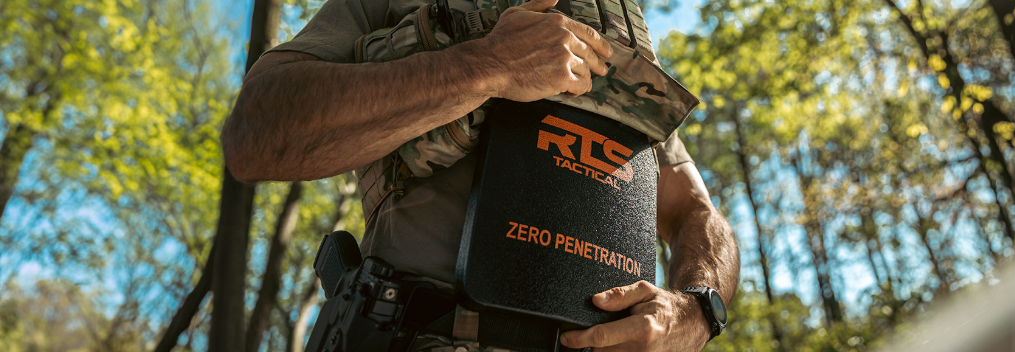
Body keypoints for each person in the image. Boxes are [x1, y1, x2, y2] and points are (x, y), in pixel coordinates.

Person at [221, 0, 740, 349]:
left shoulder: (610, 39)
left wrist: (694, 312)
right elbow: (255, 134)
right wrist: (488, 65)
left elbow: (696, 212)